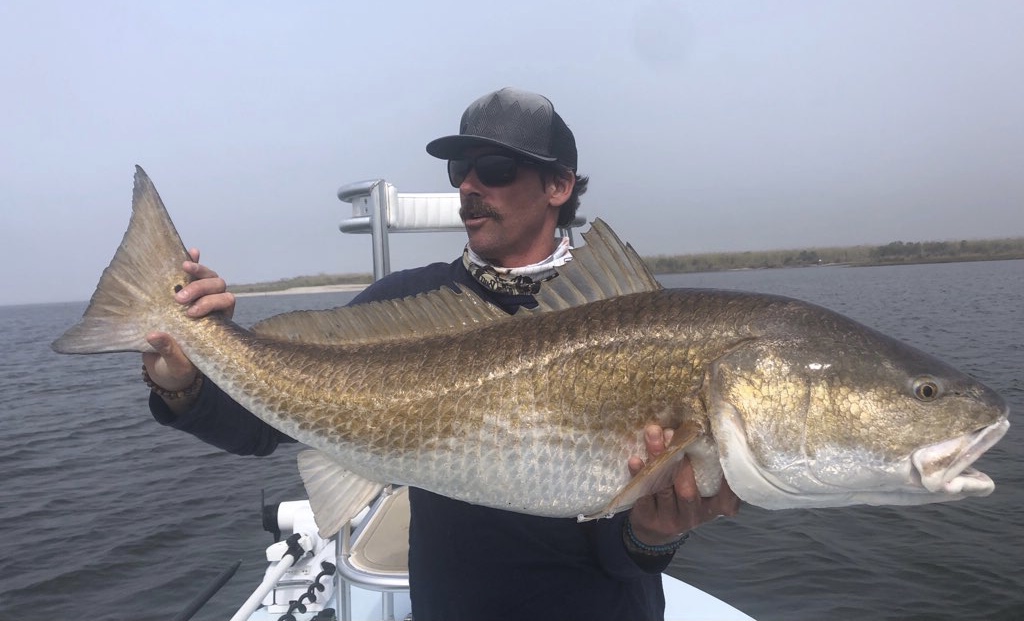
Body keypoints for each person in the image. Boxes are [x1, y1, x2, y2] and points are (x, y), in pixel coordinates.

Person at [143, 87, 740, 621]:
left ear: (560, 186)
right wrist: (184, 381)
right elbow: (263, 427)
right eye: (461, 169)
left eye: (496, 168)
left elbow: (627, 556)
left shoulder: (639, 324)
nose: (468, 186)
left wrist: (651, 537)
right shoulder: (405, 305)